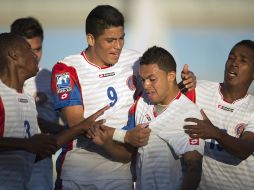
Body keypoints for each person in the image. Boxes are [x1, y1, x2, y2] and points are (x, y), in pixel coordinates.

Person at [51, 5, 196, 190]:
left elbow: (164, 92)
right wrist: (124, 135)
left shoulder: (135, 62)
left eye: (121, 38)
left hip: (120, 176)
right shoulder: (66, 69)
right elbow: (76, 124)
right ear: (91, 39)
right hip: (77, 175)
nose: (118, 46)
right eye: (110, 40)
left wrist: (185, 82)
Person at [0, 32, 108, 190]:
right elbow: (29, 146)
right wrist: (26, 144)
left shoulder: (28, 101)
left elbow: (37, 151)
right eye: (28, 49)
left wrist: (79, 127)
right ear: (13, 55)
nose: (35, 56)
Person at [89, 46, 204, 190]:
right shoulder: (142, 103)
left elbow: (194, 167)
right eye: (143, 80)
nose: (146, 85)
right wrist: (106, 143)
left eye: (152, 79)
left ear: (171, 76)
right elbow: (128, 154)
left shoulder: (188, 113)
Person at [184, 40, 254, 190]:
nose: (234, 63)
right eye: (231, 57)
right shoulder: (199, 89)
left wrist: (215, 133)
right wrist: (181, 86)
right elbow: (168, 103)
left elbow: (246, 149)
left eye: (243, 60)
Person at [10, 17, 64, 190]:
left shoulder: (52, 79)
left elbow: (69, 123)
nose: (34, 55)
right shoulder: (3, 81)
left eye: (38, 49)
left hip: (40, 166)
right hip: (8, 164)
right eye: (28, 49)